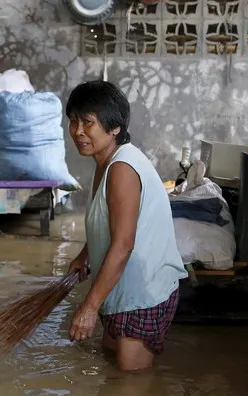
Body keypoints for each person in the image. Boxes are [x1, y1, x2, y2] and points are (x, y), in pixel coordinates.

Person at [65, 80, 187, 372]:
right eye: (73, 122)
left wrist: (89, 307)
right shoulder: (106, 162)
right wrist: (85, 254)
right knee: (113, 371)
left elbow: (123, 244)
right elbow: (106, 218)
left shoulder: (121, 169)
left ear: (114, 127)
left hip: (142, 294)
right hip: (122, 287)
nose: (78, 132)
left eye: (88, 122)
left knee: (132, 389)